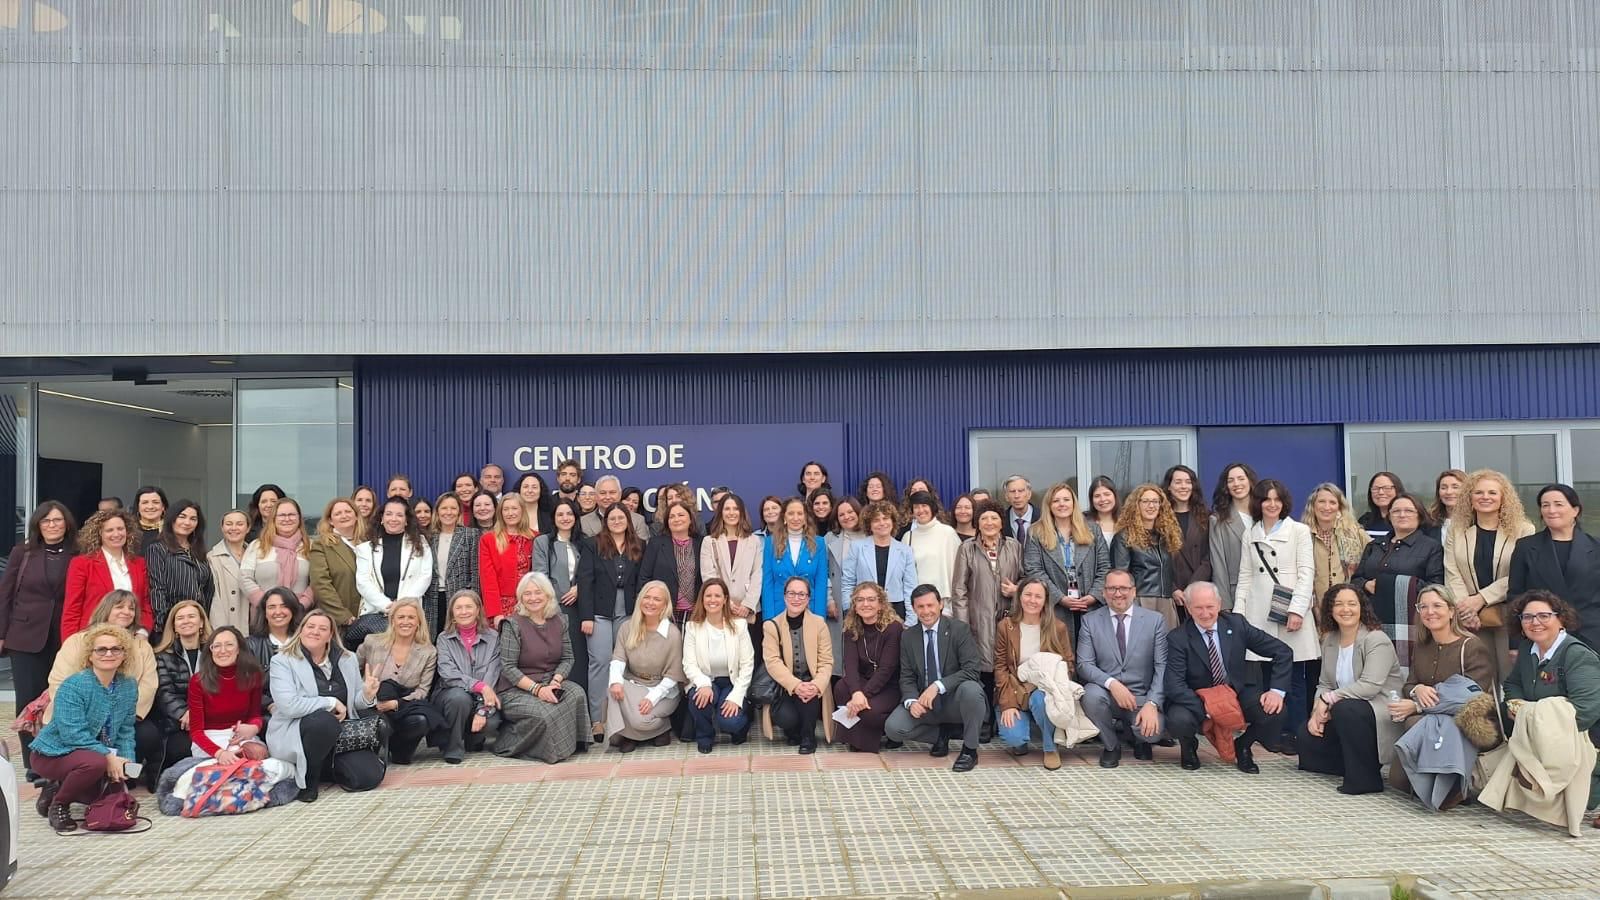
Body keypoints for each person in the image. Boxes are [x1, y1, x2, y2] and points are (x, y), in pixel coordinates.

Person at [1164, 582, 1292, 774]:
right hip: (1197, 698)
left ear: (1219, 604)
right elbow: (1174, 685)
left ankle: (1244, 745)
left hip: (1234, 692)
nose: (1205, 613)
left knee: (1275, 710)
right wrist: (1210, 709)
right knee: (1178, 719)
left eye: (1210, 607)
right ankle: (1189, 746)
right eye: (1198, 608)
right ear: (1188, 608)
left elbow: (1282, 651)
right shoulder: (1178, 637)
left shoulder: (1236, 624)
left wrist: (1276, 691)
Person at [1498, 590, 1600, 821]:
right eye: (1527, 617)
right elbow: (1512, 684)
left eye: (1544, 616)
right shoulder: (1527, 649)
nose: (1535, 622)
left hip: (1582, 739)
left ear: (1561, 618)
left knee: (1584, 801)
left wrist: (1532, 718)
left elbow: (1585, 711)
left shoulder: (1577, 655)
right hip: (1539, 732)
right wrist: (1515, 706)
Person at [1384, 582, 1496, 793]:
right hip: (1430, 720)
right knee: (1398, 781)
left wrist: (1418, 707)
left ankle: (1449, 784)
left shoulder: (1471, 646)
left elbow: (1473, 697)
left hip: (1466, 721)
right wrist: (1417, 690)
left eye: (1437, 605)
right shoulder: (1423, 646)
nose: (1430, 612)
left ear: (1451, 611)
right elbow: (1409, 684)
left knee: (1414, 722)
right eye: (1423, 607)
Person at [1233, 479, 1316, 751]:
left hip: (1289, 610)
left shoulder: (1299, 531)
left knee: (1294, 677)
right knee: (1269, 674)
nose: (1272, 504)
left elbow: (1306, 573)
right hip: (1260, 611)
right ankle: (1274, 732)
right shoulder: (1251, 533)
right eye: (1266, 499)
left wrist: (1297, 609)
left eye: (1277, 499)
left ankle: (1297, 733)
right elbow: (1245, 576)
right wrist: (1239, 614)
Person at [30, 623, 139, 832]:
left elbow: (126, 730)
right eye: (101, 649)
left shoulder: (129, 685)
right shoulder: (74, 685)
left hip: (95, 755)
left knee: (113, 794)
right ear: (90, 655)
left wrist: (125, 764)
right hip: (54, 753)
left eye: (116, 649)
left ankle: (56, 789)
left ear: (124, 654)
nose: (109, 653)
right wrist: (109, 757)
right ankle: (59, 805)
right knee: (94, 764)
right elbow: (73, 734)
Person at [1297, 584, 1404, 795]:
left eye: (1352, 604)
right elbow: (1324, 684)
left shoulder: (1376, 639)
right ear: (1330, 609)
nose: (1345, 609)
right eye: (1338, 604)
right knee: (1305, 736)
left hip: (1378, 710)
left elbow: (1369, 686)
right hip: (1345, 710)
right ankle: (1349, 763)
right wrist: (1316, 713)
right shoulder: (1330, 640)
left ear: (1362, 607)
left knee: (1346, 709)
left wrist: (1329, 700)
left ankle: (1366, 779)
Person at [266, 610, 383, 802]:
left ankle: (325, 767)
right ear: (301, 630)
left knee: (368, 778)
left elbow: (354, 703)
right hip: (297, 733)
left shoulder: (347, 659)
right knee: (323, 721)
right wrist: (330, 702)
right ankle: (309, 780)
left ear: (330, 635)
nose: (315, 632)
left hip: (341, 734)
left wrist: (368, 694)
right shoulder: (282, 661)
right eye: (310, 627)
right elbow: (289, 705)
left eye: (322, 628)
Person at [47, 591, 160, 788]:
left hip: (125, 716)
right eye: (119, 606)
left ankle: (120, 773)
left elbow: (148, 685)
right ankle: (63, 785)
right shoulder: (77, 641)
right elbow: (59, 681)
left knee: (148, 734)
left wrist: (120, 713)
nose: (126, 612)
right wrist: (94, 713)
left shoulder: (142, 647)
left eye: (131, 608)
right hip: (78, 717)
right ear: (106, 609)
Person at [0, 501, 77, 783]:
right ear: (38, 525)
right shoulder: (23, 553)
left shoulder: (77, 554)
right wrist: (1, 632)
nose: (52, 525)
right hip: (25, 636)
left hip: (63, 637)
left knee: (57, 699)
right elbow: (5, 594)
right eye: (46, 521)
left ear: (66, 523)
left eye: (57, 520)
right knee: (28, 699)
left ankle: (54, 756)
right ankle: (32, 762)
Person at [1444, 469, 1536, 679]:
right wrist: (1465, 608)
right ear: (1470, 497)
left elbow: (1519, 574)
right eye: (1479, 493)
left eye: (1492, 493)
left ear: (1504, 497)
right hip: (1469, 617)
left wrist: (1481, 599)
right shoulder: (1456, 530)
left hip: (1508, 614)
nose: (1485, 497)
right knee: (1477, 677)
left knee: (1509, 675)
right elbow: (1452, 571)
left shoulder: (1524, 530)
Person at [885, 585, 987, 771]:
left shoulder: (959, 629)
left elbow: (972, 670)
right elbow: (906, 676)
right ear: (914, 609)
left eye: (930, 605)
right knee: (893, 728)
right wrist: (910, 701)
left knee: (972, 690)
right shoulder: (908, 636)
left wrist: (937, 686)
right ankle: (941, 734)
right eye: (920, 607)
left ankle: (970, 750)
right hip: (926, 704)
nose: (926, 611)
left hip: (954, 699)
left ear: (940, 605)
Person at [495, 573, 590, 762]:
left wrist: (556, 681)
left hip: (550, 681)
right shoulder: (512, 624)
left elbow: (568, 657)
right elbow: (508, 667)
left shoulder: (559, 620)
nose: (533, 598)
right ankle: (509, 741)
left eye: (538, 592)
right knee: (545, 714)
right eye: (527, 594)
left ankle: (573, 744)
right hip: (517, 689)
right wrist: (537, 689)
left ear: (547, 595)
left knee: (577, 693)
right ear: (520, 598)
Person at [1077, 569, 1167, 768]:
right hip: (1107, 694)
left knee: (1153, 733)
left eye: (1123, 588)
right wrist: (1112, 684)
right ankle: (1111, 745)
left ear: (1134, 591)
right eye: (1112, 588)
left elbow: (1162, 666)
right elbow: (1084, 664)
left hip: (1141, 697)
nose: (1118, 593)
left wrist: (1152, 704)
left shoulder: (1155, 621)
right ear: (1104, 592)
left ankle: (1139, 739)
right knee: (1090, 695)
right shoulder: (1090, 621)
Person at [952, 501, 1022, 734]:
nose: (989, 523)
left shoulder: (1014, 546)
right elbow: (959, 590)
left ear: (1002, 521)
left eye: (993, 518)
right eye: (984, 519)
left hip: (1008, 618)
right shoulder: (967, 549)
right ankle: (983, 720)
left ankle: (1007, 715)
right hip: (977, 619)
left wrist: (1016, 591)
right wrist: (962, 626)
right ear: (977, 524)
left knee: (1005, 666)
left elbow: (1026, 579)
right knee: (981, 670)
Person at [1354, 492, 1445, 669]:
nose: (1402, 515)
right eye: (1396, 511)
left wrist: (1388, 584)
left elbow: (1435, 586)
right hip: (1373, 619)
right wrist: (1366, 584)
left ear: (1419, 515)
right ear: (1389, 516)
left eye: (1408, 511)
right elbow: (1356, 579)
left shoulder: (1431, 547)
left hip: (1412, 622)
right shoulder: (1374, 545)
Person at [993, 578, 1074, 769]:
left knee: (1039, 699)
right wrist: (1007, 704)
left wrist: (1049, 684)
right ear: (1019, 597)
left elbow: (1068, 664)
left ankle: (1050, 747)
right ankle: (1023, 735)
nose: (1032, 600)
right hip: (1013, 689)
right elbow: (1000, 667)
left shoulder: (1057, 627)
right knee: (1015, 738)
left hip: (1043, 690)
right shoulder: (1006, 626)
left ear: (1045, 601)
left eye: (1038, 596)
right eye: (1028, 594)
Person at [579, 504, 644, 741]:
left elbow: (640, 582)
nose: (617, 521)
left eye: (621, 517)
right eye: (612, 518)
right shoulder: (592, 544)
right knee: (600, 661)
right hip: (599, 611)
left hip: (627, 610)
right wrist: (586, 616)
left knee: (623, 663)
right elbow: (584, 581)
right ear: (605, 522)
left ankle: (621, 717)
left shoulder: (639, 545)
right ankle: (598, 719)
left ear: (628, 520)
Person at [1510, 484, 1600, 651]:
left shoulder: (1596, 547)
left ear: (1575, 510)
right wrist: (1515, 644)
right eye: (1545, 505)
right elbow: (1515, 597)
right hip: (1541, 636)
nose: (1551, 510)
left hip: (1592, 635)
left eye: (1558, 504)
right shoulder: (1526, 547)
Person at [355, 598, 440, 765]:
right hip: (373, 704)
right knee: (379, 723)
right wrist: (367, 696)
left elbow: (422, 691)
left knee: (422, 720)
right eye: (401, 617)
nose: (406, 622)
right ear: (392, 620)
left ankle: (400, 750)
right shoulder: (372, 642)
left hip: (403, 706)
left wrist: (395, 704)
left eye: (411, 617)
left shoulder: (428, 651)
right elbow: (352, 671)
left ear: (419, 622)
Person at [1023, 481, 1110, 644]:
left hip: (1090, 606)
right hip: (1056, 609)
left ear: (1073, 503)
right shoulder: (1036, 532)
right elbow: (1034, 570)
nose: (1061, 504)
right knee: (1061, 659)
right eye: (1056, 501)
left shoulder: (1093, 530)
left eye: (1066, 500)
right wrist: (1060, 598)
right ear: (1049, 505)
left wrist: (1093, 595)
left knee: (1091, 655)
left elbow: (1105, 566)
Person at [606, 581, 685, 751]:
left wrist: (652, 698)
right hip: (635, 685)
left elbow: (673, 676)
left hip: (663, 691)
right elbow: (618, 659)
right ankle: (639, 734)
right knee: (613, 685)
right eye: (647, 597)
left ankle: (656, 729)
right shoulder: (627, 627)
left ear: (665, 605)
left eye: (657, 599)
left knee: (640, 720)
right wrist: (616, 682)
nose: (650, 602)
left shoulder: (672, 634)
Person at [760, 576, 833, 754]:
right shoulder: (772, 625)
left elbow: (826, 660)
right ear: (784, 596)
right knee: (786, 717)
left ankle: (808, 737)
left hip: (811, 682)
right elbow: (772, 661)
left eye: (802, 594)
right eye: (792, 593)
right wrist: (795, 685)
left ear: (808, 599)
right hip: (785, 686)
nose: (796, 598)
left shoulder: (819, 624)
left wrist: (816, 685)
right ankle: (792, 732)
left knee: (809, 697)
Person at [350, 496, 434, 647]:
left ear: (406, 520)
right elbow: (363, 582)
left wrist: (401, 606)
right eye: (389, 514)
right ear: (382, 518)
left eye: (399, 515)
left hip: (409, 615)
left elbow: (425, 576)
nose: (393, 519)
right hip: (376, 614)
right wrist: (388, 606)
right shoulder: (365, 549)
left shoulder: (420, 544)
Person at [681, 579, 754, 752]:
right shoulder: (692, 627)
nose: (712, 600)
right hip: (707, 681)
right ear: (702, 599)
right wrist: (703, 684)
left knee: (729, 721)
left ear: (725, 599)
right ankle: (705, 735)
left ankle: (742, 723)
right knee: (698, 698)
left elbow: (747, 664)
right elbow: (688, 663)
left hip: (732, 682)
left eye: (717, 596)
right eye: (708, 596)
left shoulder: (739, 626)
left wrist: (736, 697)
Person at [832, 583, 904, 753]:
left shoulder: (893, 628)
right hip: (864, 682)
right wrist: (856, 692)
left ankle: (889, 731)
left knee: (868, 712)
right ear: (854, 606)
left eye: (871, 599)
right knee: (841, 688)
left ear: (881, 604)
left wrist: (862, 695)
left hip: (889, 685)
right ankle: (857, 738)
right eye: (860, 600)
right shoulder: (851, 628)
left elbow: (886, 669)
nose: (866, 604)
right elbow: (850, 665)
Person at [433, 590, 502, 763]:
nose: (464, 612)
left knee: (491, 723)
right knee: (459, 698)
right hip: (450, 695)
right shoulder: (443, 638)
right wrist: (480, 686)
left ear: (478, 610)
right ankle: (453, 747)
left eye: (469, 607)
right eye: (459, 608)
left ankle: (473, 737)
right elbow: (448, 674)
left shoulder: (493, 637)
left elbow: (492, 673)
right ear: (452, 613)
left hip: (482, 697)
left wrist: (482, 710)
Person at [62, 508, 151, 641]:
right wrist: (71, 644)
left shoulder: (139, 563)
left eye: (120, 529)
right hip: (92, 638)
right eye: (109, 530)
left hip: (130, 639)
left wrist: (143, 632)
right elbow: (72, 609)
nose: (116, 534)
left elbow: (145, 604)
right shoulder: (82, 563)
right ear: (99, 534)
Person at [532, 497, 590, 702]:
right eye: (560, 514)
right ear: (553, 518)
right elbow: (540, 576)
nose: (565, 518)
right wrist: (553, 602)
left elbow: (592, 572)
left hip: (579, 609)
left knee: (579, 658)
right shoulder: (543, 542)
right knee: (557, 657)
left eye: (569, 514)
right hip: (553, 609)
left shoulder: (585, 542)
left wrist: (579, 589)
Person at [187, 626, 269, 764]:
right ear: (210, 651)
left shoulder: (252, 676)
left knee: (258, 754)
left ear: (239, 649)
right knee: (232, 764)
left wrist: (254, 727)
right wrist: (220, 753)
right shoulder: (198, 681)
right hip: (210, 740)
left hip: (241, 737)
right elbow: (196, 732)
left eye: (229, 645)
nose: (223, 651)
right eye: (217, 646)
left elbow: (255, 715)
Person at [152, 599, 214, 777]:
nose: (186, 621)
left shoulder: (215, 652)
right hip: (177, 723)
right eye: (180, 618)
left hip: (210, 719)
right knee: (182, 749)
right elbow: (164, 692)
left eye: (191, 616)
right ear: (174, 626)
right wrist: (185, 713)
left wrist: (201, 714)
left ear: (201, 622)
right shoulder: (162, 656)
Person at [1110, 483, 1183, 631]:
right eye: (1146, 501)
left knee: (1168, 649)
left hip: (1166, 601)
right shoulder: (1124, 536)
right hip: (1140, 600)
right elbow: (1120, 575)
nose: (1151, 506)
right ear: (1136, 505)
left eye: (1155, 501)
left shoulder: (1165, 536)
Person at [145, 499, 214, 633]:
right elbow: (157, 589)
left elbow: (208, 591)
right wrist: (165, 624)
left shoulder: (199, 551)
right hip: (171, 624)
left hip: (197, 624)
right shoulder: (158, 549)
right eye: (182, 517)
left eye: (193, 519)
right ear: (171, 519)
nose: (187, 522)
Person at [841, 501, 918, 619]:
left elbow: (910, 587)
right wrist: (849, 611)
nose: (882, 523)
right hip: (864, 609)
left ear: (892, 521)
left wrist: (911, 619)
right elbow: (847, 582)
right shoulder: (857, 547)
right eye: (876, 520)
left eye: (886, 518)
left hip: (896, 610)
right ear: (869, 525)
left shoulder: (905, 550)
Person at [701, 494, 765, 637]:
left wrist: (748, 605)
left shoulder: (754, 540)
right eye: (727, 509)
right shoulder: (709, 541)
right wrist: (725, 602)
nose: (731, 513)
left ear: (741, 512)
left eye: (735, 509)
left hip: (748, 613)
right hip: (719, 609)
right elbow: (709, 576)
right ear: (720, 512)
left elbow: (757, 574)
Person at [761, 498, 829, 621]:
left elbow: (821, 582)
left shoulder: (818, 542)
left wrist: (820, 618)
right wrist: (768, 619)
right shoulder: (770, 543)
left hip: (810, 610)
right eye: (791, 514)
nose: (796, 518)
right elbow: (767, 582)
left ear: (805, 517)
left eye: (800, 513)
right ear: (784, 518)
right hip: (779, 610)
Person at [240, 497, 313, 610]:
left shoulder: (310, 546)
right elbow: (244, 578)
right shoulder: (257, 546)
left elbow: (317, 582)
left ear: (299, 518)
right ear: (273, 519)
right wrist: (267, 605)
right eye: (282, 515)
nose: (287, 519)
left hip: (300, 615)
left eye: (292, 514)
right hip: (263, 615)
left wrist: (302, 605)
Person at [639, 499, 704, 625]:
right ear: (667, 522)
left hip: (695, 613)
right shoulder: (656, 544)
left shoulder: (702, 543)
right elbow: (644, 577)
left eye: (681, 515)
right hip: (663, 611)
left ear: (690, 519)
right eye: (672, 517)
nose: (676, 519)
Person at [1302, 483, 1370, 603]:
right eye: (1321, 501)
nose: (1327, 507)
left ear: (1339, 507)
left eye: (1332, 502)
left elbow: (1377, 558)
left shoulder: (1356, 533)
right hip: (1314, 606)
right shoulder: (1302, 535)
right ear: (1313, 505)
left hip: (1349, 605)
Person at [246, 587, 304, 725]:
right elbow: (246, 686)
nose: (278, 612)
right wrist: (269, 704)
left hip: (304, 707)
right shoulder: (250, 645)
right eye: (272, 607)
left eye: (284, 606)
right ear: (264, 612)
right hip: (268, 712)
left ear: (293, 610)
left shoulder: (306, 641)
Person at [429, 493, 482, 637]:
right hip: (432, 598)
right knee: (433, 637)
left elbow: (476, 571)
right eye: (444, 508)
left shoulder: (470, 535)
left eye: (453, 508)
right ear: (437, 511)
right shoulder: (428, 536)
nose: (448, 512)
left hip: (460, 598)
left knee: (458, 638)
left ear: (459, 511)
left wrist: (474, 602)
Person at [308, 497, 364, 632]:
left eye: (348, 511)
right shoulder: (322, 545)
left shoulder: (370, 544)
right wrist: (343, 616)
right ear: (331, 521)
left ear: (356, 516)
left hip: (369, 619)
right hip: (341, 623)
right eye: (338, 513)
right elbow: (321, 583)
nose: (344, 516)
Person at [478, 494, 536, 624]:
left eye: (514, 508)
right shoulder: (489, 540)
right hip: (502, 607)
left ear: (522, 510)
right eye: (506, 509)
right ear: (500, 513)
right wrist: (496, 613)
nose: (510, 513)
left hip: (531, 604)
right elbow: (488, 579)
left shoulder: (535, 538)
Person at [822, 496, 865, 663]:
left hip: (866, 600)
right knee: (841, 650)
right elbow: (824, 572)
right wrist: (829, 599)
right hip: (839, 602)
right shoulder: (829, 539)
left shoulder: (871, 535)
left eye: (851, 512)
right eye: (842, 514)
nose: (847, 517)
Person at [1164, 465, 1213, 606]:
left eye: (1188, 482)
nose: (1183, 486)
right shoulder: (1159, 518)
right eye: (1178, 482)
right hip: (1170, 594)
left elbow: (1209, 557)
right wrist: (1172, 589)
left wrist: (1193, 587)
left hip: (1200, 591)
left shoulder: (1207, 517)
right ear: (1169, 486)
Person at [901, 491, 961, 601]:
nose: (920, 510)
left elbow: (959, 569)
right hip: (918, 601)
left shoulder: (947, 533)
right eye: (916, 507)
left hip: (944, 600)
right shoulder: (908, 537)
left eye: (924, 505)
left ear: (932, 508)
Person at [206, 509, 251, 633]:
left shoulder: (256, 555)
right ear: (222, 527)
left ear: (248, 528)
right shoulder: (212, 558)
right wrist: (221, 632)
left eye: (240, 524)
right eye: (229, 524)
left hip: (254, 624)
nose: (234, 528)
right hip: (230, 623)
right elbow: (215, 600)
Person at [584, 477, 651, 539]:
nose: (607, 497)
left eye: (612, 492)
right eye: (603, 493)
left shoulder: (638, 521)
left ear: (620, 494)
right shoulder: (584, 521)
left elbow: (643, 548)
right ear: (595, 495)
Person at [1357, 472, 1404, 539]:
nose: (1381, 492)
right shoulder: (1365, 521)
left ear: (1398, 490)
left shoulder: (1406, 520)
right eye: (1376, 488)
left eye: (1387, 488)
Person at [1429, 469, 1467, 544]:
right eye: (1444, 488)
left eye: (1455, 487)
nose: (1449, 492)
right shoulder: (1430, 523)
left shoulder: (1475, 521)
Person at [998, 475, 1038, 548]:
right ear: (1006, 496)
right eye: (1012, 491)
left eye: (1021, 491)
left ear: (1029, 494)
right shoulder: (1000, 520)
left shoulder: (1043, 517)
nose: (1017, 496)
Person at [1088, 476, 1121, 546]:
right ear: (1091, 500)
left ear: (1115, 496)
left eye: (1107, 494)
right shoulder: (1084, 524)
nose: (1102, 499)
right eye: (1097, 496)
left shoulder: (1126, 522)